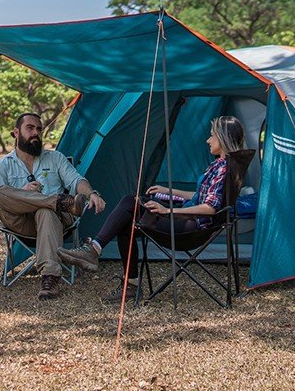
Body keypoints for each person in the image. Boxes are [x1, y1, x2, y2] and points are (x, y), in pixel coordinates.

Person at [57, 116, 245, 302]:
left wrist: (167, 211)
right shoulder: (222, 164)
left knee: (129, 203)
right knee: (127, 219)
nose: (208, 140)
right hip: (187, 220)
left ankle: (95, 251)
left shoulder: (223, 168)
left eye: (212, 135)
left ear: (223, 138)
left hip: (190, 228)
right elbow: (200, 196)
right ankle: (125, 280)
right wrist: (168, 191)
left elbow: (210, 208)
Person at [0, 112, 106, 300]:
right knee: (0, 193)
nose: (36, 133)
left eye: (39, 129)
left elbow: (76, 181)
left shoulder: (55, 158)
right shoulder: (3, 165)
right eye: (30, 128)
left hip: (55, 221)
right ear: (16, 133)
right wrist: (23, 192)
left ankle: (50, 278)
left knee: (45, 211)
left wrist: (91, 193)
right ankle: (60, 202)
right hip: (21, 223)